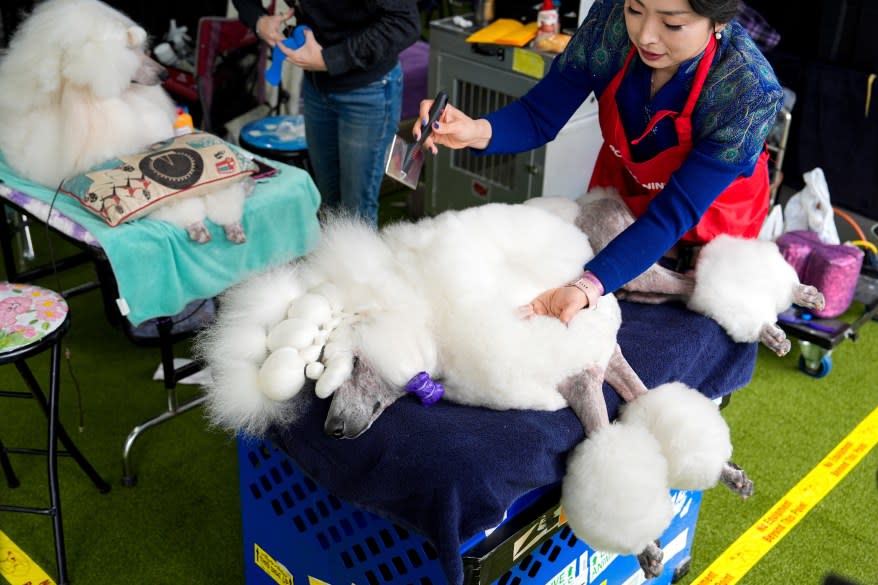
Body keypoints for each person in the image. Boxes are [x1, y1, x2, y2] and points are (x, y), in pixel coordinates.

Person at [415, 0, 783, 323]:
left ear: (717, 22)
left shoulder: (749, 91)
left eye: (672, 24)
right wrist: (476, 130)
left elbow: (674, 211)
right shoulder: (609, 25)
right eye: (635, 9)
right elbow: (538, 116)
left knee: (700, 303)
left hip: (710, 210)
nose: (646, 36)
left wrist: (589, 284)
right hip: (627, 181)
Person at [233, 0, 421, 226]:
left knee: (355, 214)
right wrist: (258, 20)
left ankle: (356, 261)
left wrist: (330, 59)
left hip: (368, 89)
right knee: (327, 204)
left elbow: (405, 22)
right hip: (317, 86)